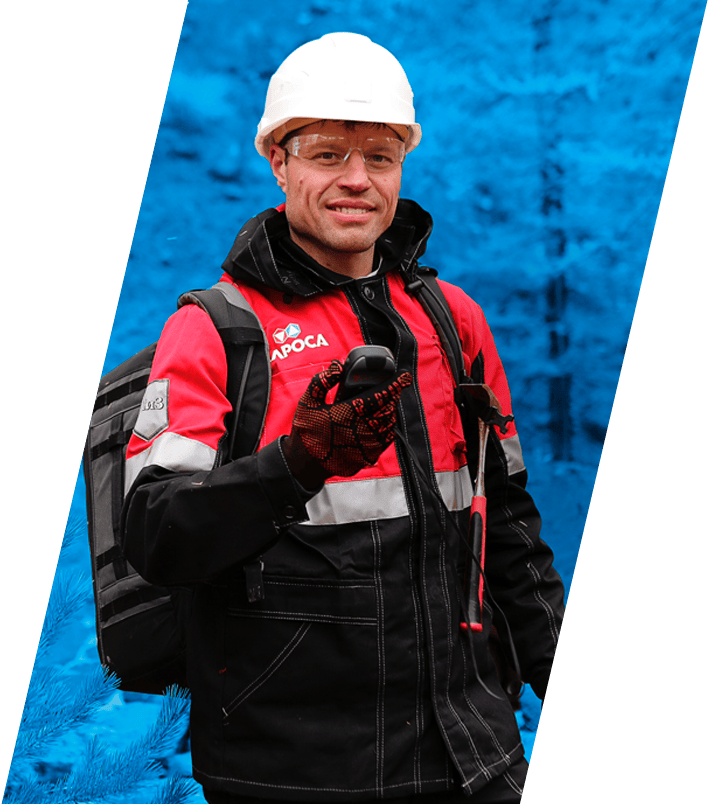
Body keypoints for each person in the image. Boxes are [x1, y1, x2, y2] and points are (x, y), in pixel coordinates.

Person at [121, 32, 565, 804]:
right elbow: (157, 535)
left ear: (402, 166)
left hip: (474, 755)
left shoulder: (454, 321)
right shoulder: (218, 330)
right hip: (295, 771)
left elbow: (512, 531)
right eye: (328, 154)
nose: (357, 179)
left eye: (381, 157)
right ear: (279, 160)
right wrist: (295, 466)